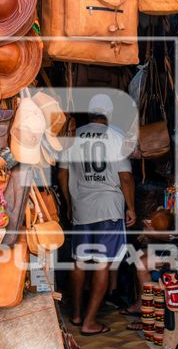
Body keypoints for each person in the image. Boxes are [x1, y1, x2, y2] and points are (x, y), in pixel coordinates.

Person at [58, 93, 136, 336]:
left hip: (82, 208)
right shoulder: (115, 137)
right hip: (109, 208)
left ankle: (77, 314)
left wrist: (69, 203)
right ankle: (90, 321)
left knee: (79, 261)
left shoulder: (73, 136)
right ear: (108, 114)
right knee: (103, 263)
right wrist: (131, 207)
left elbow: (62, 174)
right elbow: (125, 177)